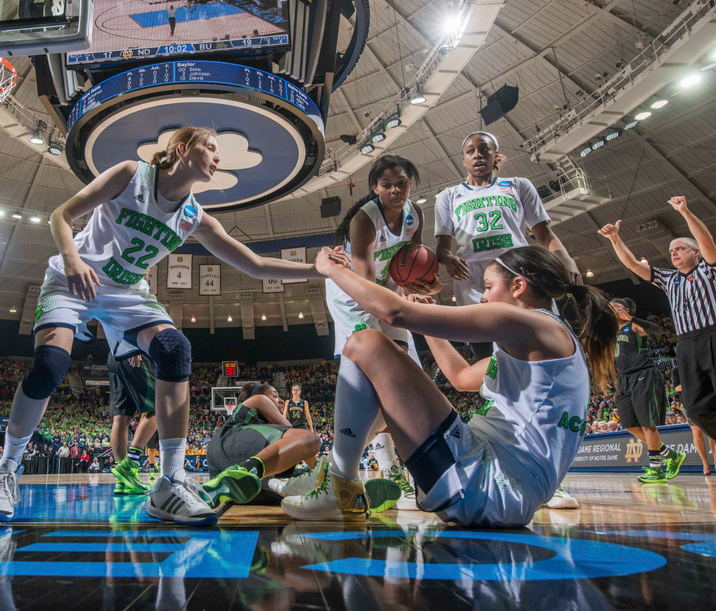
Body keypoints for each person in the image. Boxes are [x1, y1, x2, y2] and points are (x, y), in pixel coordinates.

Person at [0, 127, 349, 526]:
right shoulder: (131, 174)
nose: (217, 157)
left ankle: (170, 482)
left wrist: (318, 269)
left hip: (126, 292)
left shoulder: (194, 216)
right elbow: (61, 216)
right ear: (183, 148)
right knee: (50, 365)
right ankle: (6, 470)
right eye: (211, 147)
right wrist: (71, 259)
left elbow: (255, 265)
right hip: (75, 278)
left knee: (176, 349)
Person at [284, 245, 616, 526]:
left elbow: (393, 312)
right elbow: (460, 377)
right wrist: (428, 321)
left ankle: (339, 483)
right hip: (500, 492)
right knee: (381, 373)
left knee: (365, 343)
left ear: (518, 286)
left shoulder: (531, 324)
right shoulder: (545, 346)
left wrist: (332, 270)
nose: (483, 297)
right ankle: (338, 474)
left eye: (488, 286)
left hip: (489, 485)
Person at [322, 155, 439, 510]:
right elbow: (367, 286)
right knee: (379, 374)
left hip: (386, 291)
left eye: (402, 183)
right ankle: (350, 469)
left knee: (406, 378)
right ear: (375, 187)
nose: (395, 190)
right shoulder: (364, 221)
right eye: (387, 185)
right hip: (354, 295)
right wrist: (402, 303)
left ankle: (362, 467)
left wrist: (420, 286)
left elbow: (412, 262)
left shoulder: (414, 214)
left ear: (410, 184)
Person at [434, 132, 581, 348]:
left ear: (495, 155)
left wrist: (565, 259)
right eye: (470, 151)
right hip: (473, 279)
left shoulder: (518, 185)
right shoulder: (448, 196)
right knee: (487, 353)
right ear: (463, 159)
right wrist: (448, 259)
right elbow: (441, 249)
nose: (478, 155)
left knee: (543, 344)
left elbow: (544, 234)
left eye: (484, 149)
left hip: (519, 272)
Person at [599, 196, 716, 438]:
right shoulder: (668, 278)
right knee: (694, 407)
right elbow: (633, 264)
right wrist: (615, 239)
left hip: (712, 335)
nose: (674, 253)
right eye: (671, 251)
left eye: (680, 248)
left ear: (696, 252)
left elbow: (707, 241)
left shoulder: (708, 269)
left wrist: (685, 212)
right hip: (685, 343)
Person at [201, 382, 340, 509]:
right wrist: (323, 476)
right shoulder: (259, 399)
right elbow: (300, 441)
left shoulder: (264, 433)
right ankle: (247, 470)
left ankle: (238, 479)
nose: (281, 400)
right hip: (233, 438)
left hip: (224, 469)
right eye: (274, 396)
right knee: (310, 439)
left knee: (301, 485)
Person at [610, 298, 686, 483]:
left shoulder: (634, 326)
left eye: (615, 307)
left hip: (643, 374)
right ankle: (670, 454)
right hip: (623, 379)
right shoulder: (612, 332)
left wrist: (631, 318)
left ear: (625, 310)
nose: (611, 310)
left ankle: (656, 469)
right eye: (610, 307)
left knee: (647, 424)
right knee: (629, 425)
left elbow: (657, 330)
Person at [107, 352, 158, 494]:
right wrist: (133, 348)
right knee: (159, 407)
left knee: (121, 416)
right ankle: (129, 464)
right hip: (135, 352)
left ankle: (123, 481)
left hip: (115, 354)